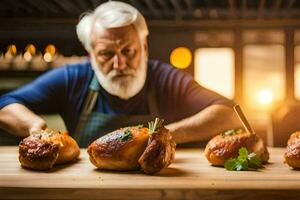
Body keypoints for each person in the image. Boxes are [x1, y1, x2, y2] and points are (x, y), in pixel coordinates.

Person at [0, 1, 240, 147]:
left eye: (128, 51)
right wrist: (35, 127)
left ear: (144, 48)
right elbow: (5, 104)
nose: (120, 63)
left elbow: (230, 114)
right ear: (91, 54)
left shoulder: (167, 79)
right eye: (106, 54)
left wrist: (162, 135)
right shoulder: (73, 78)